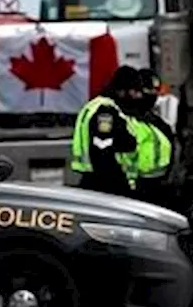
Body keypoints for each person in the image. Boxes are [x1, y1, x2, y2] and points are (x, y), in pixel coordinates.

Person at [69, 65, 144, 197]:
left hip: (97, 181)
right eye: (134, 91)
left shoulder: (99, 106)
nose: (137, 96)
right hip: (105, 185)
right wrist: (119, 185)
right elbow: (102, 149)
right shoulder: (106, 111)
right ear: (122, 90)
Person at [125, 69, 177, 208]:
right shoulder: (123, 120)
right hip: (130, 189)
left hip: (158, 188)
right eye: (148, 90)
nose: (152, 95)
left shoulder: (160, 125)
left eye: (155, 91)